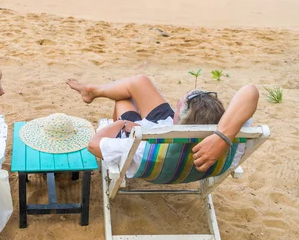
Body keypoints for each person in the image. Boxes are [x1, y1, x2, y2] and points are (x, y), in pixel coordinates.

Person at [67, 74, 258, 174]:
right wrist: (222, 137)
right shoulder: (228, 132)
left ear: (180, 118)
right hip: (175, 134)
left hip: (152, 136)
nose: (178, 101)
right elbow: (250, 90)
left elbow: (94, 145)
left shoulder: (144, 149)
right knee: (140, 82)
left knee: (123, 100)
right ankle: (92, 90)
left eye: (180, 104)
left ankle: (93, 91)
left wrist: (123, 123)